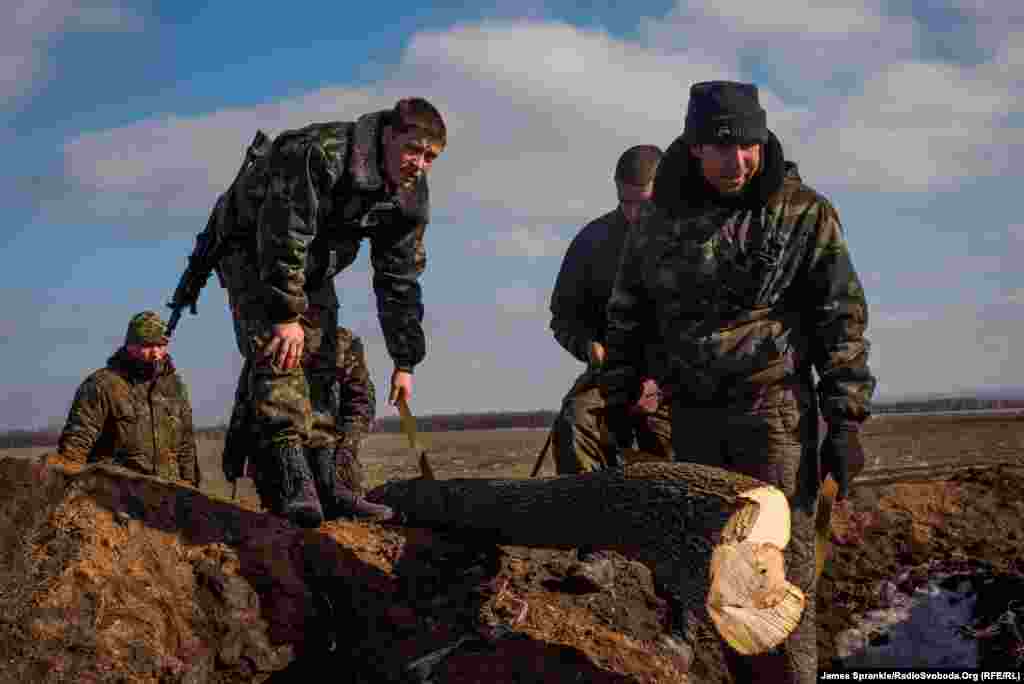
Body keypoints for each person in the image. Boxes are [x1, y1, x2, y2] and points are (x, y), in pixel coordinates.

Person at [601, 81, 876, 683]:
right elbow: (628, 310)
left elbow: (841, 318)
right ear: (695, 148)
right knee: (718, 577)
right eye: (722, 148)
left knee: (776, 580)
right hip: (693, 417)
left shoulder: (803, 211)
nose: (738, 161)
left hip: (772, 414)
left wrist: (846, 420)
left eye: (748, 145)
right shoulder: (657, 217)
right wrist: (619, 393)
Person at [212, 97, 445, 527]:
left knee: (321, 360)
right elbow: (283, 231)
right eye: (413, 150)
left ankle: (328, 483)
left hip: (314, 262)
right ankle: (293, 483)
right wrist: (284, 315)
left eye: (431, 156)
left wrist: (405, 359)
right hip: (253, 247)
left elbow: (400, 279)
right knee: (280, 351)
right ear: (389, 136)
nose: (420, 163)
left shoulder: (410, 194)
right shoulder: (319, 152)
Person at [548, 144, 674, 591]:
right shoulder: (593, 240)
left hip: (680, 381)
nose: (635, 213)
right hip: (610, 374)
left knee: (677, 448)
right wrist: (588, 346)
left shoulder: (696, 237)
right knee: (576, 422)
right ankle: (594, 549)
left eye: (646, 203)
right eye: (626, 203)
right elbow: (562, 316)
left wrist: (661, 380)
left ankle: (675, 560)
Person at [222, 326, 391, 520]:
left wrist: (345, 451)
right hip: (283, 461)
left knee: (341, 506)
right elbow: (246, 399)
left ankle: (332, 488)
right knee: (292, 519)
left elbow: (361, 403)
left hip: (332, 458)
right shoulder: (276, 336)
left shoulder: (342, 341)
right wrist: (234, 458)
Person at [42, 311, 201, 487]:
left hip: (169, 498)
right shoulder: (101, 385)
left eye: (161, 345)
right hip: (114, 497)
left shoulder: (175, 387)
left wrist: (190, 487)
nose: (155, 353)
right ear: (130, 346)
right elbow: (74, 448)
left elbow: (186, 446)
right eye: (147, 346)